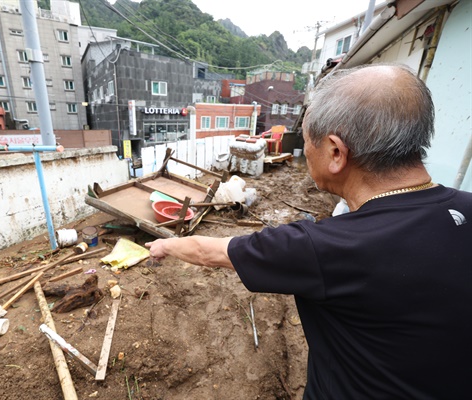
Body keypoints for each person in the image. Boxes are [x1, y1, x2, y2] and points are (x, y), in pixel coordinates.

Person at [146, 64, 472, 399]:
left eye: (305, 141)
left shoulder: (325, 246)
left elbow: (208, 252)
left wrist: (165, 247)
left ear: (335, 152)